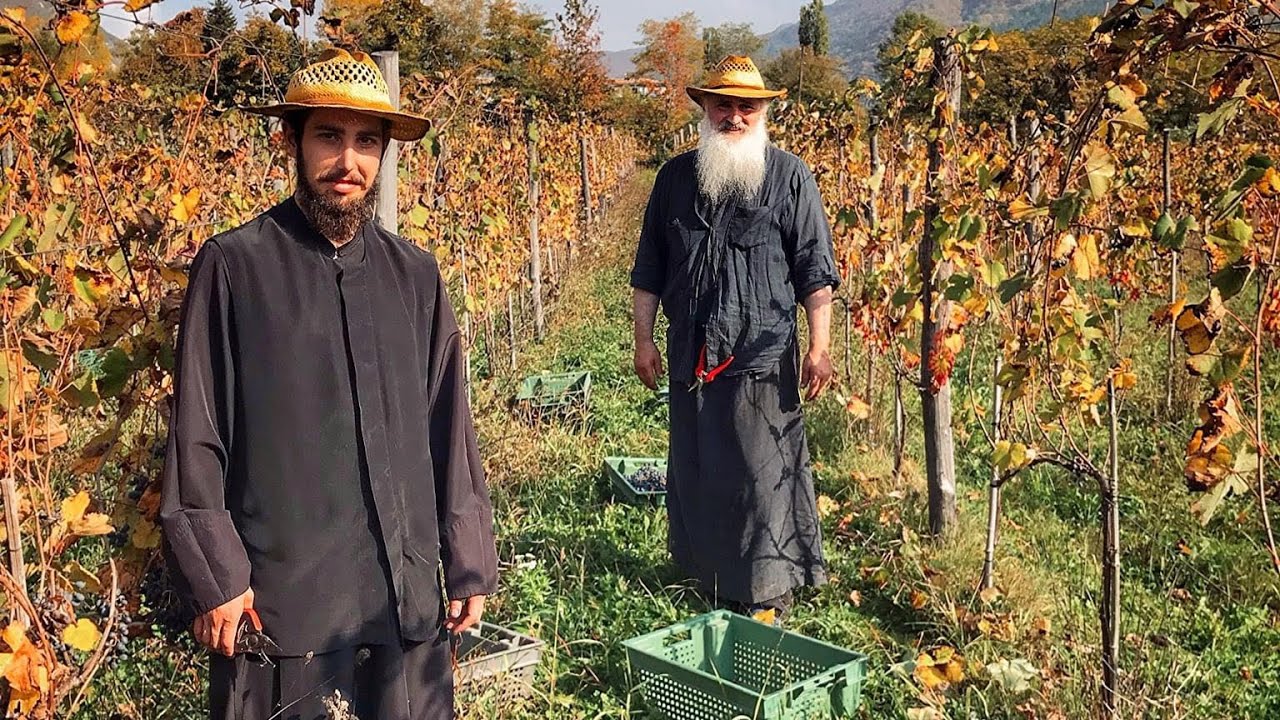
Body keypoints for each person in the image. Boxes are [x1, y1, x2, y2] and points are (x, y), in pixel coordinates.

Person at [160, 48, 499, 720]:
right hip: (283, 607)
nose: (349, 162)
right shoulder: (235, 267)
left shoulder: (415, 276)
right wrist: (218, 579)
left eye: (367, 142)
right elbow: (197, 436)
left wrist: (468, 556)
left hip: (403, 599)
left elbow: (447, 424)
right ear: (291, 140)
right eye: (329, 136)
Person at [629, 55, 840, 626]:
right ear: (704, 108)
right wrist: (642, 338)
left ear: (763, 111)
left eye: (747, 106)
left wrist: (819, 347)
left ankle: (768, 589)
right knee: (697, 466)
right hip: (691, 352)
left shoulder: (790, 177)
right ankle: (709, 577)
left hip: (760, 358)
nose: (735, 116)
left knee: (761, 472)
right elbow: (649, 266)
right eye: (724, 104)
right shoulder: (674, 179)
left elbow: (814, 270)